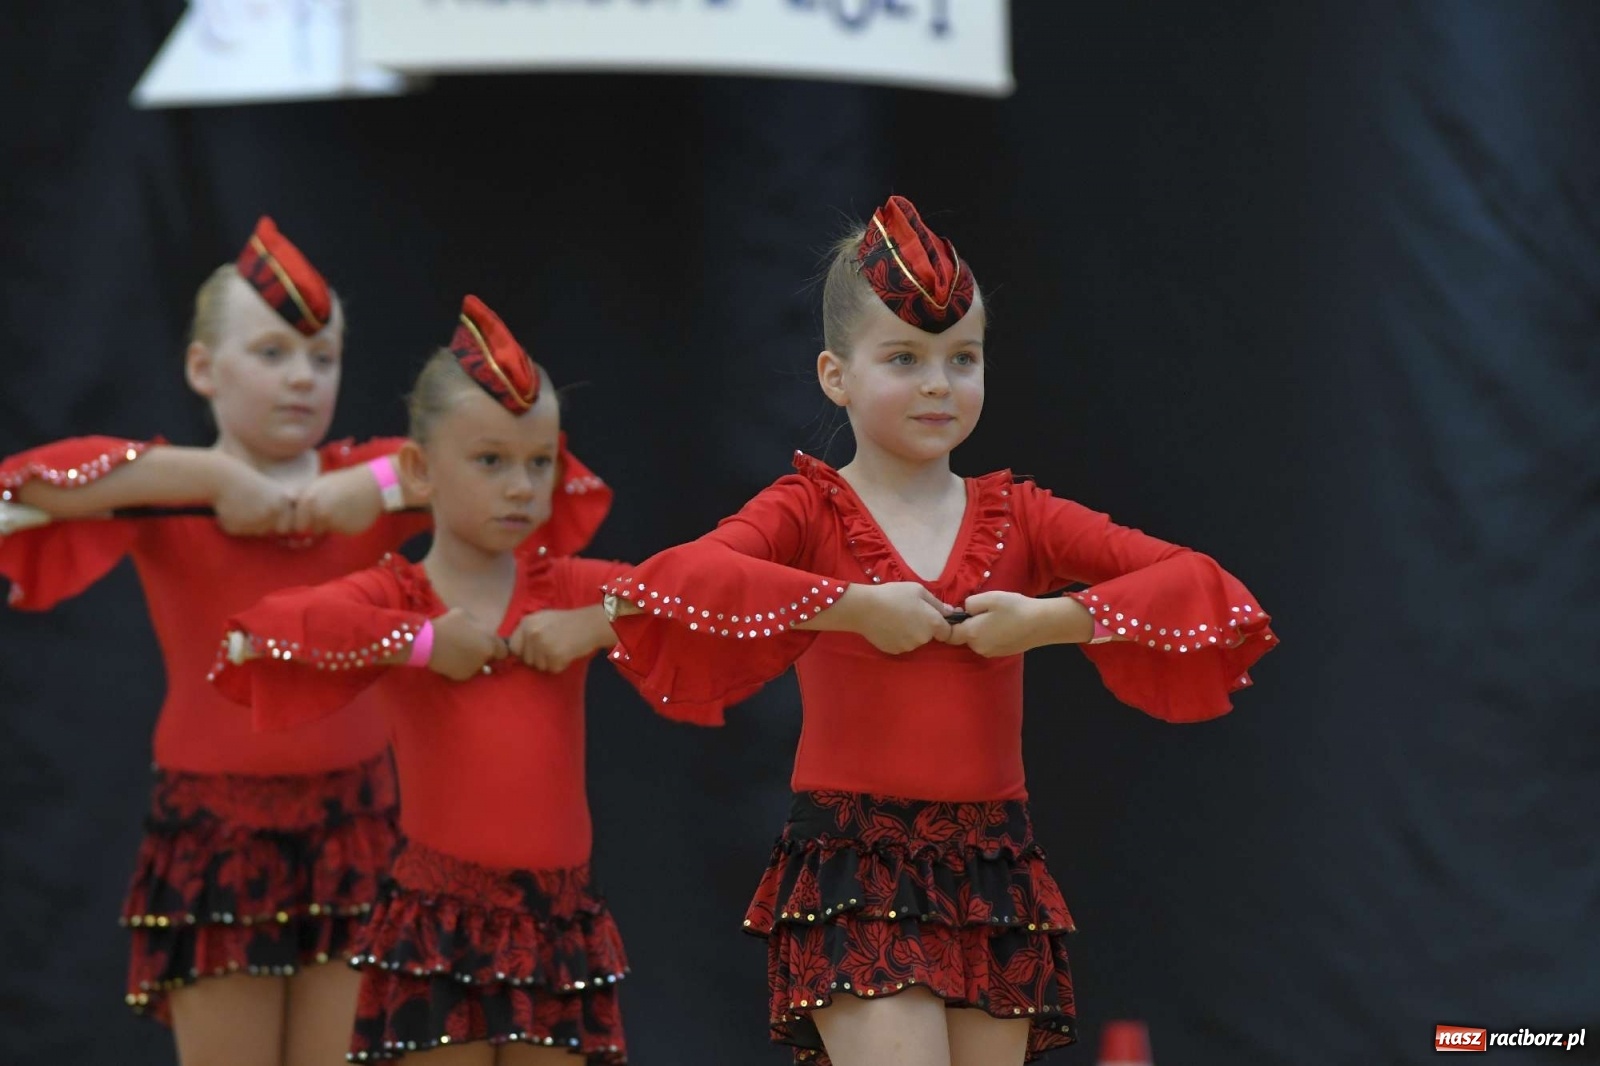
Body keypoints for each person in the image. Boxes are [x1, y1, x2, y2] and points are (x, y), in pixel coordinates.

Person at [600, 195, 1278, 1066]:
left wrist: (1053, 621)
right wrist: (850, 606)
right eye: (905, 358)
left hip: (993, 865)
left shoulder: (1019, 516)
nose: (937, 383)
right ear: (835, 375)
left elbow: (1205, 586)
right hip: (857, 862)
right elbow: (675, 583)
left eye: (963, 358)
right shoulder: (811, 510)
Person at [214, 296, 630, 1064]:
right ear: (416, 469)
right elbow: (265, 628)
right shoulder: (397, 593)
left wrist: (597, 623)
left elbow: (699, 596)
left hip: (560, 918)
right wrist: (422, 640)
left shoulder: (570, 587)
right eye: (490, 460)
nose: (520, 487)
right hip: (440, 920)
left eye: (539, 463)